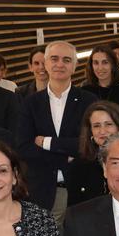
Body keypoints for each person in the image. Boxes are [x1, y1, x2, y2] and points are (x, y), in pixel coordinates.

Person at [16, 41, 97, 221]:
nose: (60, 64)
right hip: (41, 191)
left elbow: (91, 143)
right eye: (54, 59)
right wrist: (63, 157)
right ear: (45, 63)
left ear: (75, 66)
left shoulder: (89, 101)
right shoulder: (30, 103)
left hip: (82, 188)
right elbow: (23, 147)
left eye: (67, 60)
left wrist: (47, 142)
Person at [66, 101, 119, 207]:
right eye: (96, 126)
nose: (102, 131)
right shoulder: (78, 166)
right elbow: (74, 210)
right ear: (90, 131)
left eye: (109, 124)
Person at [83, 44, 119, 109]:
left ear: (113, 64)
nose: (100, 68)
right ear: (91, 66)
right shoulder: (84, 92)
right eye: (96, 63)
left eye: (105, 62)